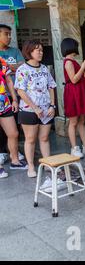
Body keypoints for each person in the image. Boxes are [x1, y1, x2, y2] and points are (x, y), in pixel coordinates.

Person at [15, 40, 59, 184]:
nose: (40, 52)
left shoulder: (44, 68)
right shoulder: (23, 69)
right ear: (29, 52)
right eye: (37, 50)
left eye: (41, 50)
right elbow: (20, 91)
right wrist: (35, 107)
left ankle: (48, 164)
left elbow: (52, 86)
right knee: (31, 139)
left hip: (46, 110)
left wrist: (53, 106)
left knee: (45, 138)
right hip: (29, 111)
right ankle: (31, 166)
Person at [61, 38, 85, 157]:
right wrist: (83, 66)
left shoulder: (72, 61)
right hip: (73, 93)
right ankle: (74, 148)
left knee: (81, 121)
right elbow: (74, 79)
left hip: (78, 93)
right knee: (74, 122)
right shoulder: (68, 62)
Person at [0, 24, 25, 165]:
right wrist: (12, 67)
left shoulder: (15, 51)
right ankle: (2, 151)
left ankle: (14, 152)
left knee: (14, 125)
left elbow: (22, 66)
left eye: (10, 34)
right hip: (2, 95)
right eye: (6, 34)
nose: (9, 37)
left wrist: (8, 67)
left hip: (13, 94)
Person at [0, 57, 28, 178]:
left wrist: (15, 99)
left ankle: (15, 161)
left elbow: (9, 81)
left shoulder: (1, 61)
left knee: (13, 133)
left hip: (4, 103)